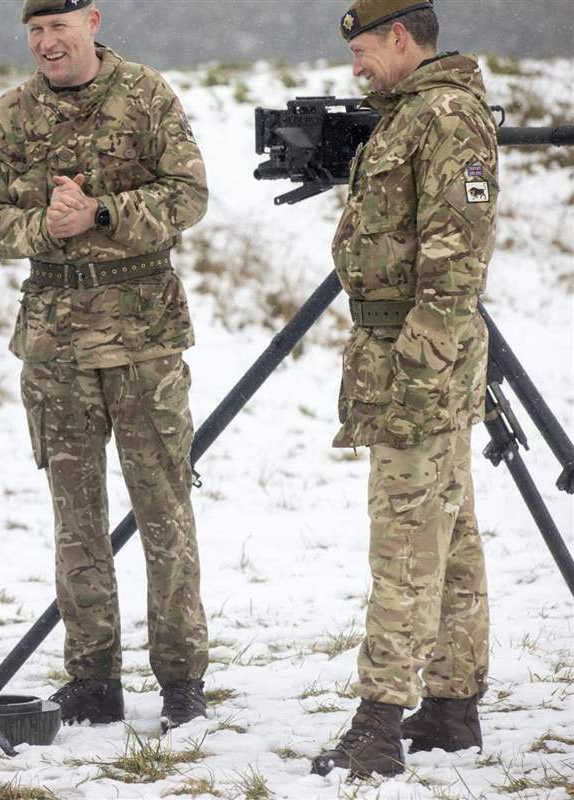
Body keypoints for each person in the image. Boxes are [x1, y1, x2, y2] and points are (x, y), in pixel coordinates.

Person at [0, 0, 210, 731]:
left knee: (164, 511)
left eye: (59, 27)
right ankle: (93, 679)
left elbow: (189, 195)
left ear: (93, 23)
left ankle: (180, 681)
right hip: (55, 346)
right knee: (76, 519)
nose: (47, 43)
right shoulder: (10, 115)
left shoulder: (145, 94)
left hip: (143, 340)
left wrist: (101, 213)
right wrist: (47, 223)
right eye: (35, 31)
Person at [311, 0, 497, 778]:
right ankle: (451, 705)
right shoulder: (409, 114)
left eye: (362, 49)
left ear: (398, 37)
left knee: (405, 539)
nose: (355, 65)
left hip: (418, 353)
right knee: (448, 534)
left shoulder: (446, 115)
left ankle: (378, 722)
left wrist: (418, 369)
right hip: (402, 347)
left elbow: (456, 264)